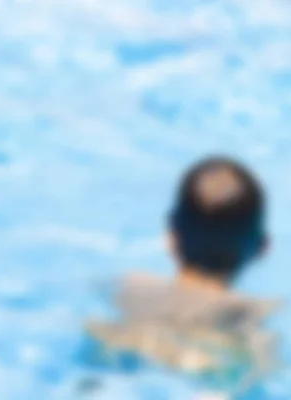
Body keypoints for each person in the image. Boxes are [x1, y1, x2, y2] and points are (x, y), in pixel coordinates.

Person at [83, 156, 280, 398]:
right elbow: (259, 380)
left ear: (171, 237)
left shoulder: (130, 286)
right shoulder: (249, 314)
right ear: (262, 248)